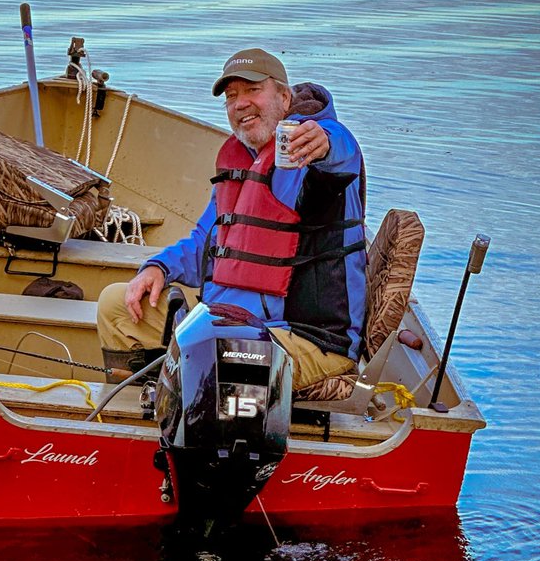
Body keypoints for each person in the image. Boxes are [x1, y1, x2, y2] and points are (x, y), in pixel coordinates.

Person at [97, 47, 367, 390]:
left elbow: (340, 154)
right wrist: (158, 268)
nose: (240, 103)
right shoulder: (239, 162)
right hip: (223, 325)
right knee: (116, 305)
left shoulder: (316, 151)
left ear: (285, 97)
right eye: (231, 96)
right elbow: (204, 245)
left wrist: (324, 142)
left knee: (217, 354)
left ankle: (202, 417)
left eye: (253, 90)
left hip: (305, 339)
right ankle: (149, 411)